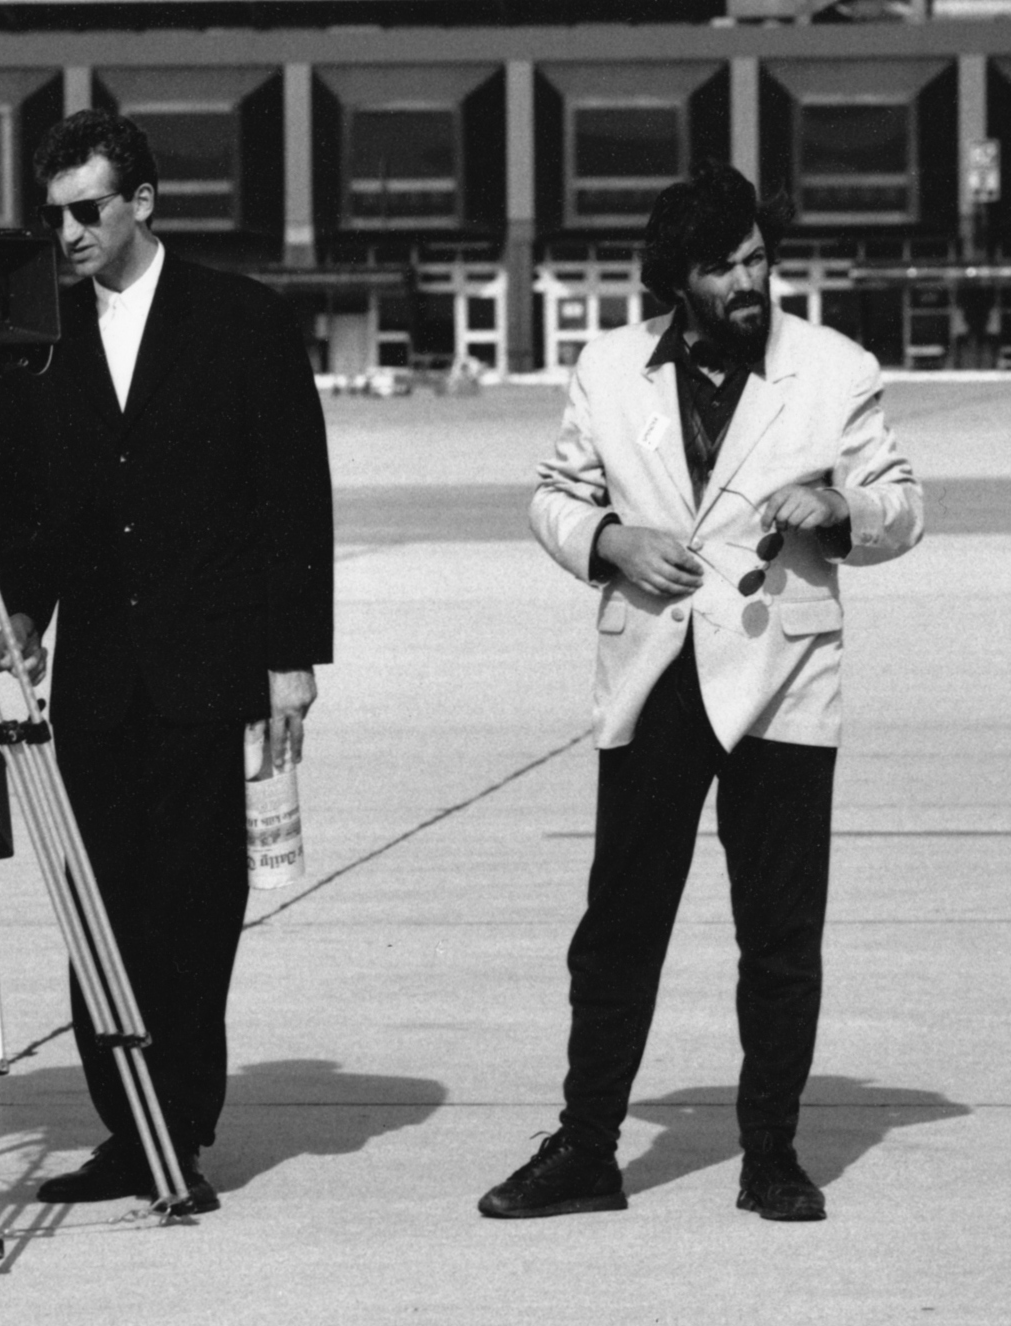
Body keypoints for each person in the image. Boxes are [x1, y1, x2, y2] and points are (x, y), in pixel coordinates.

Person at [481, 162, 922, 1223]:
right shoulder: (606, 368)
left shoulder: (835, 366)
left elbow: (902, 506)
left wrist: (837, 504)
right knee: (619, 927)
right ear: (678, 277)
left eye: (759, 259)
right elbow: (554, 494)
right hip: (653, 671)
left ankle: (770, 1153)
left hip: (780, 675)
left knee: (778, 934)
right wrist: (607, 540)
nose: (749, 281)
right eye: (725, 266)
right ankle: (588, 1148)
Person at [0, 109, 334, 1214]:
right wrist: (22, 609)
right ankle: (126, 1127)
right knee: (102, 906)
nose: (70, 232)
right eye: (56, 215)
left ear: (143, 201)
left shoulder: (242, 320)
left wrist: (292, 657)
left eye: (89, 209)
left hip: (208, 666)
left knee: (193, 907)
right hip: (95, 675)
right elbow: (17, 490)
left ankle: (178, 1125)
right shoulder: (40, 332)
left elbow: (294, 496)